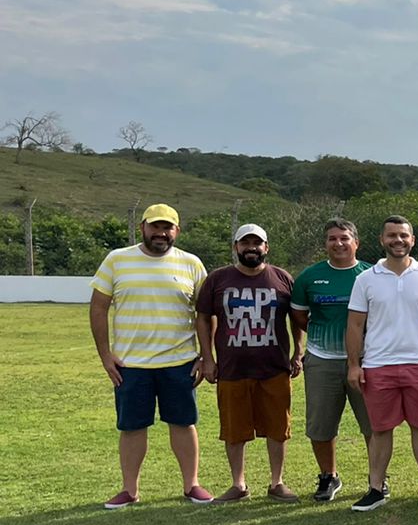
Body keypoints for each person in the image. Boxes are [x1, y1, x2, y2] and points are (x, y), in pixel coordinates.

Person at [89, 204, 214, 508]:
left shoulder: (191, 263)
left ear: (177, 231)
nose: (161, 233)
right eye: (155, 227)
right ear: (142, 227)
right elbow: (98, 308)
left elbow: (205, 313)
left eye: (167, 227)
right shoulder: (117, 260)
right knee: (132, 427)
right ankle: (129, 490)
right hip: (131, 365)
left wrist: (205, 355)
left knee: (184, 424)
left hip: (179, 362)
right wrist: (106, 356)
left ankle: (191, 484)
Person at [345, 215, 418, 511]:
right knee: (381, 430)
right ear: (382, 240)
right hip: (378, 366)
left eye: (403, 236)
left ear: (412, 240)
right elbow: (355, 325)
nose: (398, 240)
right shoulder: (365, 279)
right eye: (392, 235)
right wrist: (354, 366)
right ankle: (376, 488)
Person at [196, 223, 300, 503]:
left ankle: (277, 481)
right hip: (232, 368)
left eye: (257, 243)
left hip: (274, 367)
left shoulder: (281, 278)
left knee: (278, 428)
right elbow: (204, 318)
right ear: (236, 247)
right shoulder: (218, 279)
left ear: (266, 247)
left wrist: (297, 352)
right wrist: (208, 358)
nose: (251, 248)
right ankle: (238, 483)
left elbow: (297, 317)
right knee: (234, 429)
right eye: (245, 243)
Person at [290, 219, 373, 502]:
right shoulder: (309, 277)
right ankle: (329, 476)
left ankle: (377, 480)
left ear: (356, 243)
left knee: (374, 425)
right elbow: (299, 317)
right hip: (322, 360)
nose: (338, 243)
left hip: (366, 361)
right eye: (332, 239)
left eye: (344, 238)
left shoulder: (371, 274)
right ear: (325, 243)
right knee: (321, 425)